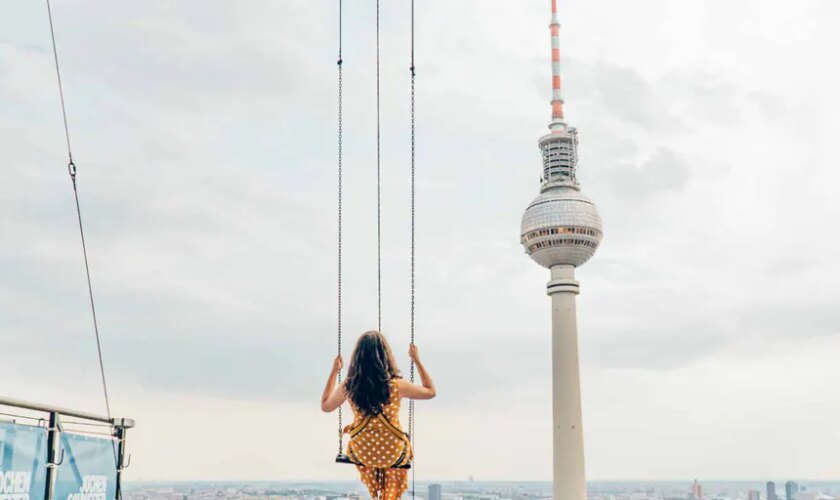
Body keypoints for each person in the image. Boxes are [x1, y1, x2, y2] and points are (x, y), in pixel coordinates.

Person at [321, 330, 436, 499]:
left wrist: (334, 372)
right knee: (399, 450)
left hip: (362, 451)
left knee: (366, 446)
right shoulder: (397, 385)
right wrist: (416, 360)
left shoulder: (349, 385)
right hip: (393, 452)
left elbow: (325, 406)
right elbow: (430, 391)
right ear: (385, 356)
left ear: (357, 358)